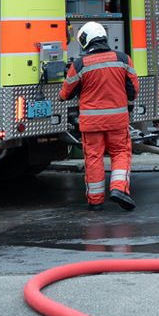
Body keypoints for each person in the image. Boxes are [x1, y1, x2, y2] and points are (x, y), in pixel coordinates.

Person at [60, 22, 140, 212]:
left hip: (91, 124)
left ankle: (95, 202)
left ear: (85, 40)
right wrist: (127, 105)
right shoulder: (124, 59)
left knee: (93, 158)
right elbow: (133, 89)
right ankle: (119, 189)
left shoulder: (79, 64)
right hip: (118, 121)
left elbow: (65, 94)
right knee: (120, 153)